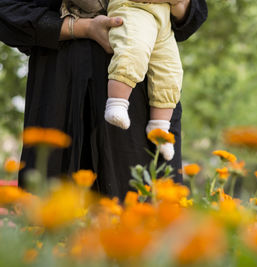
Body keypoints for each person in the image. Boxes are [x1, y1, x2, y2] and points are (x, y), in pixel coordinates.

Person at [0, 0, 208, 200]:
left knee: (144, 214)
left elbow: (193, 16)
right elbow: (7, 11)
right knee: (54, 212)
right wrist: (83, 28)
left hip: (143, 99)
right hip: (61, 88)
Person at [61, 0, 184, 161]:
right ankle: (117, 103)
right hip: (134, 7)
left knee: (171, 71)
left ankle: (160, 127)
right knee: (133, 51)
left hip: (164, 17)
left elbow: (193, 14)